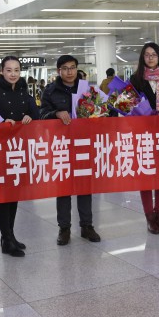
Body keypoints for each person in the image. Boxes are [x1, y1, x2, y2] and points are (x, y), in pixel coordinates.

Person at [40, 55, 101, 245]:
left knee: (84, 185)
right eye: (65, 68)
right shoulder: (50, 91)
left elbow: (100, 111)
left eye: (72, 67)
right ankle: (64, 228)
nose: (69, 72)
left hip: (83, 143)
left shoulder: (87, 90)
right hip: (61, 144)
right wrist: (56, 114)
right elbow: (41, 115)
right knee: (63, 186)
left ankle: (87, 226)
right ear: (59, 71)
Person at [0, 56, 39, 257]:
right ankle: (6, 239)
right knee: (3, 196)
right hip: (0, 150)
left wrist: (31, 116)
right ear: (2, 71)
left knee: (14, 194)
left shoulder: (24, 92)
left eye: (16, 70)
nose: (13, 74)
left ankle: (10, 236)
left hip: (19, 150)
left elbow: (37, 113)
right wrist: (0, 122)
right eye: (9, 70)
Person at [130, 42, 159, 234]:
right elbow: (129, 105)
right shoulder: (136, 79)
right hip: (144, 133)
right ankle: (149, 217)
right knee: (146, 175)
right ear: (143, 57)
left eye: (154, 54)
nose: (150, 58)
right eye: (147, 55)